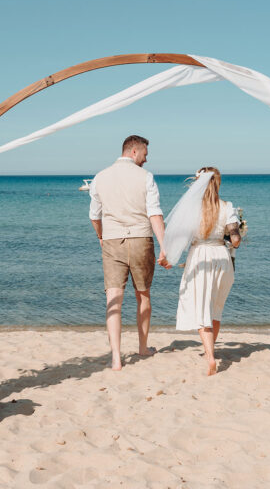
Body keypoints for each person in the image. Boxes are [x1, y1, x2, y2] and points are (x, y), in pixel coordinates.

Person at [89, 135, 168, 371]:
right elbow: (154, 213)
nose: (146, 158)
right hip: (141, 239)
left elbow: (95, 215)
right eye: (145, 153)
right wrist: (165, 246)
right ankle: (143, 348)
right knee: (143, 295)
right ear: (134, 151)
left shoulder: (100, 177)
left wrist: (101, 237)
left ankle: (116, 358)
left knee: (113, 299)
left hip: (112, 239)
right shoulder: (146, 177)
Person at [158, 167, 241, 376]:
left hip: (200, 257)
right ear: (218, 184)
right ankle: (210, 351)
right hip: (221, 258)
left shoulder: (192, 209)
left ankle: (211, 357)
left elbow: (181, 238)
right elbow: (236, 240)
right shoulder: (227, 207)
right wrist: (236, 234)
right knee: (215, 307)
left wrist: (169, 258)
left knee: (201, 309)